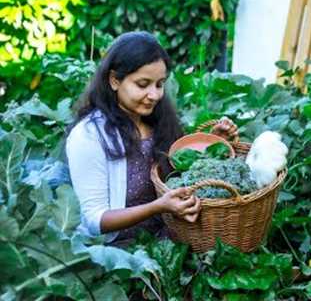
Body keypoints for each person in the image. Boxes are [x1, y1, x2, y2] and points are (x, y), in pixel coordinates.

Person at [66, 31, 238, 244]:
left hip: (172, 238)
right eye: (142, 84)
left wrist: (213, 145)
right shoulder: (89, 135)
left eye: (159, 84)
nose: (155, 95)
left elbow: (179, 174)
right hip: (117, 253)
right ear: (114, 80)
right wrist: (158, 207)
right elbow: (94, 220)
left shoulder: (158, 121)